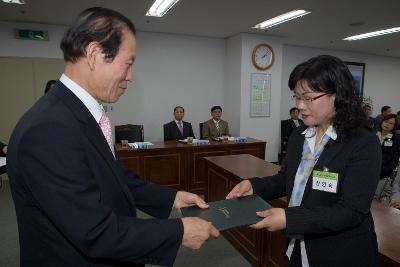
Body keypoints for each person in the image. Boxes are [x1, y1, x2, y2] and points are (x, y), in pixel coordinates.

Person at [7, 7, 219, 267]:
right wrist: (179, 232)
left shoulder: (79, 114)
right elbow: (94, 232)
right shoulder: (49, 130)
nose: (130, 77)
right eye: (128, 63)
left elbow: (114, 177)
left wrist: (171, 199)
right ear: (95, 54)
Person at [227, 55, 381, 266]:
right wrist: (254, 186)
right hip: (299, 248)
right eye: (297, 97)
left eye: (308, 98)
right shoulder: (300, 135)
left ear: (338, 95)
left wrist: (290, 219)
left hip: (340, 254)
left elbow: (351, 211)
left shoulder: (363, 142)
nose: (300, 105)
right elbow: (286, 178)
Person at [376, 114, 400, 179]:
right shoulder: (373, 135)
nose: (387, 124)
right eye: (386, 121)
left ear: (394, 126)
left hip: (381, 170)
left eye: (391, 123)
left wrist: (382, 170)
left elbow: (394, 159)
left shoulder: (394, 139)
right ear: (382, 122)